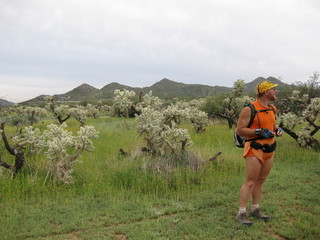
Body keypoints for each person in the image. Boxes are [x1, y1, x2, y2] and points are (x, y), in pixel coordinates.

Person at [235, 81, 283, 226]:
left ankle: (255, 209)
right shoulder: (249, 109)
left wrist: (277, 130)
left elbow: (272, 125)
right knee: (250, 181)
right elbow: (240, 130)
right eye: (273, 90)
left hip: (270, 148)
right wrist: (259, 131)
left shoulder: (272, 108)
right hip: (254, 148)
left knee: (260, 180)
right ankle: (241, 213)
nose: (276, 92)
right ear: (266, 92)